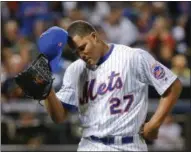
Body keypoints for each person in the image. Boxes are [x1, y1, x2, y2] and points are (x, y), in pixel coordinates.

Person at [38, 20, 182, 151]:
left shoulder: (132, 57)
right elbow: (59, 117)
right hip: (90, 145)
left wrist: (155, 123)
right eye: (77, 52)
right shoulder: (74, 70)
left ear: (94, 37)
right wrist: (48, 91)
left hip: (129, 145)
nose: (81, 55)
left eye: (83, 47)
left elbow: (173, 85)